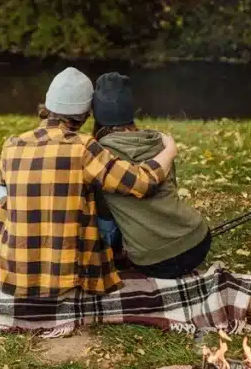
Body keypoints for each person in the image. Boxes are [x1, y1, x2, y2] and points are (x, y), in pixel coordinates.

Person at [0, 67, 179, 298]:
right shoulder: (84, 147)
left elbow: (0, 189)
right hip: (67, 280)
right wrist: (170, 150)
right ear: (86, 113)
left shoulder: (12, 144)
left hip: (14, 279)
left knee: (2, 193)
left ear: (47, 106)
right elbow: (142, 182)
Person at [91, 72, 212, 278]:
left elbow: (104, 213)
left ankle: (110, 259)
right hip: (197, 240)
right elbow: (171, 187)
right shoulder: (158, 141)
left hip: (153, 262)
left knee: (103, 215)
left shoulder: (100, 155)